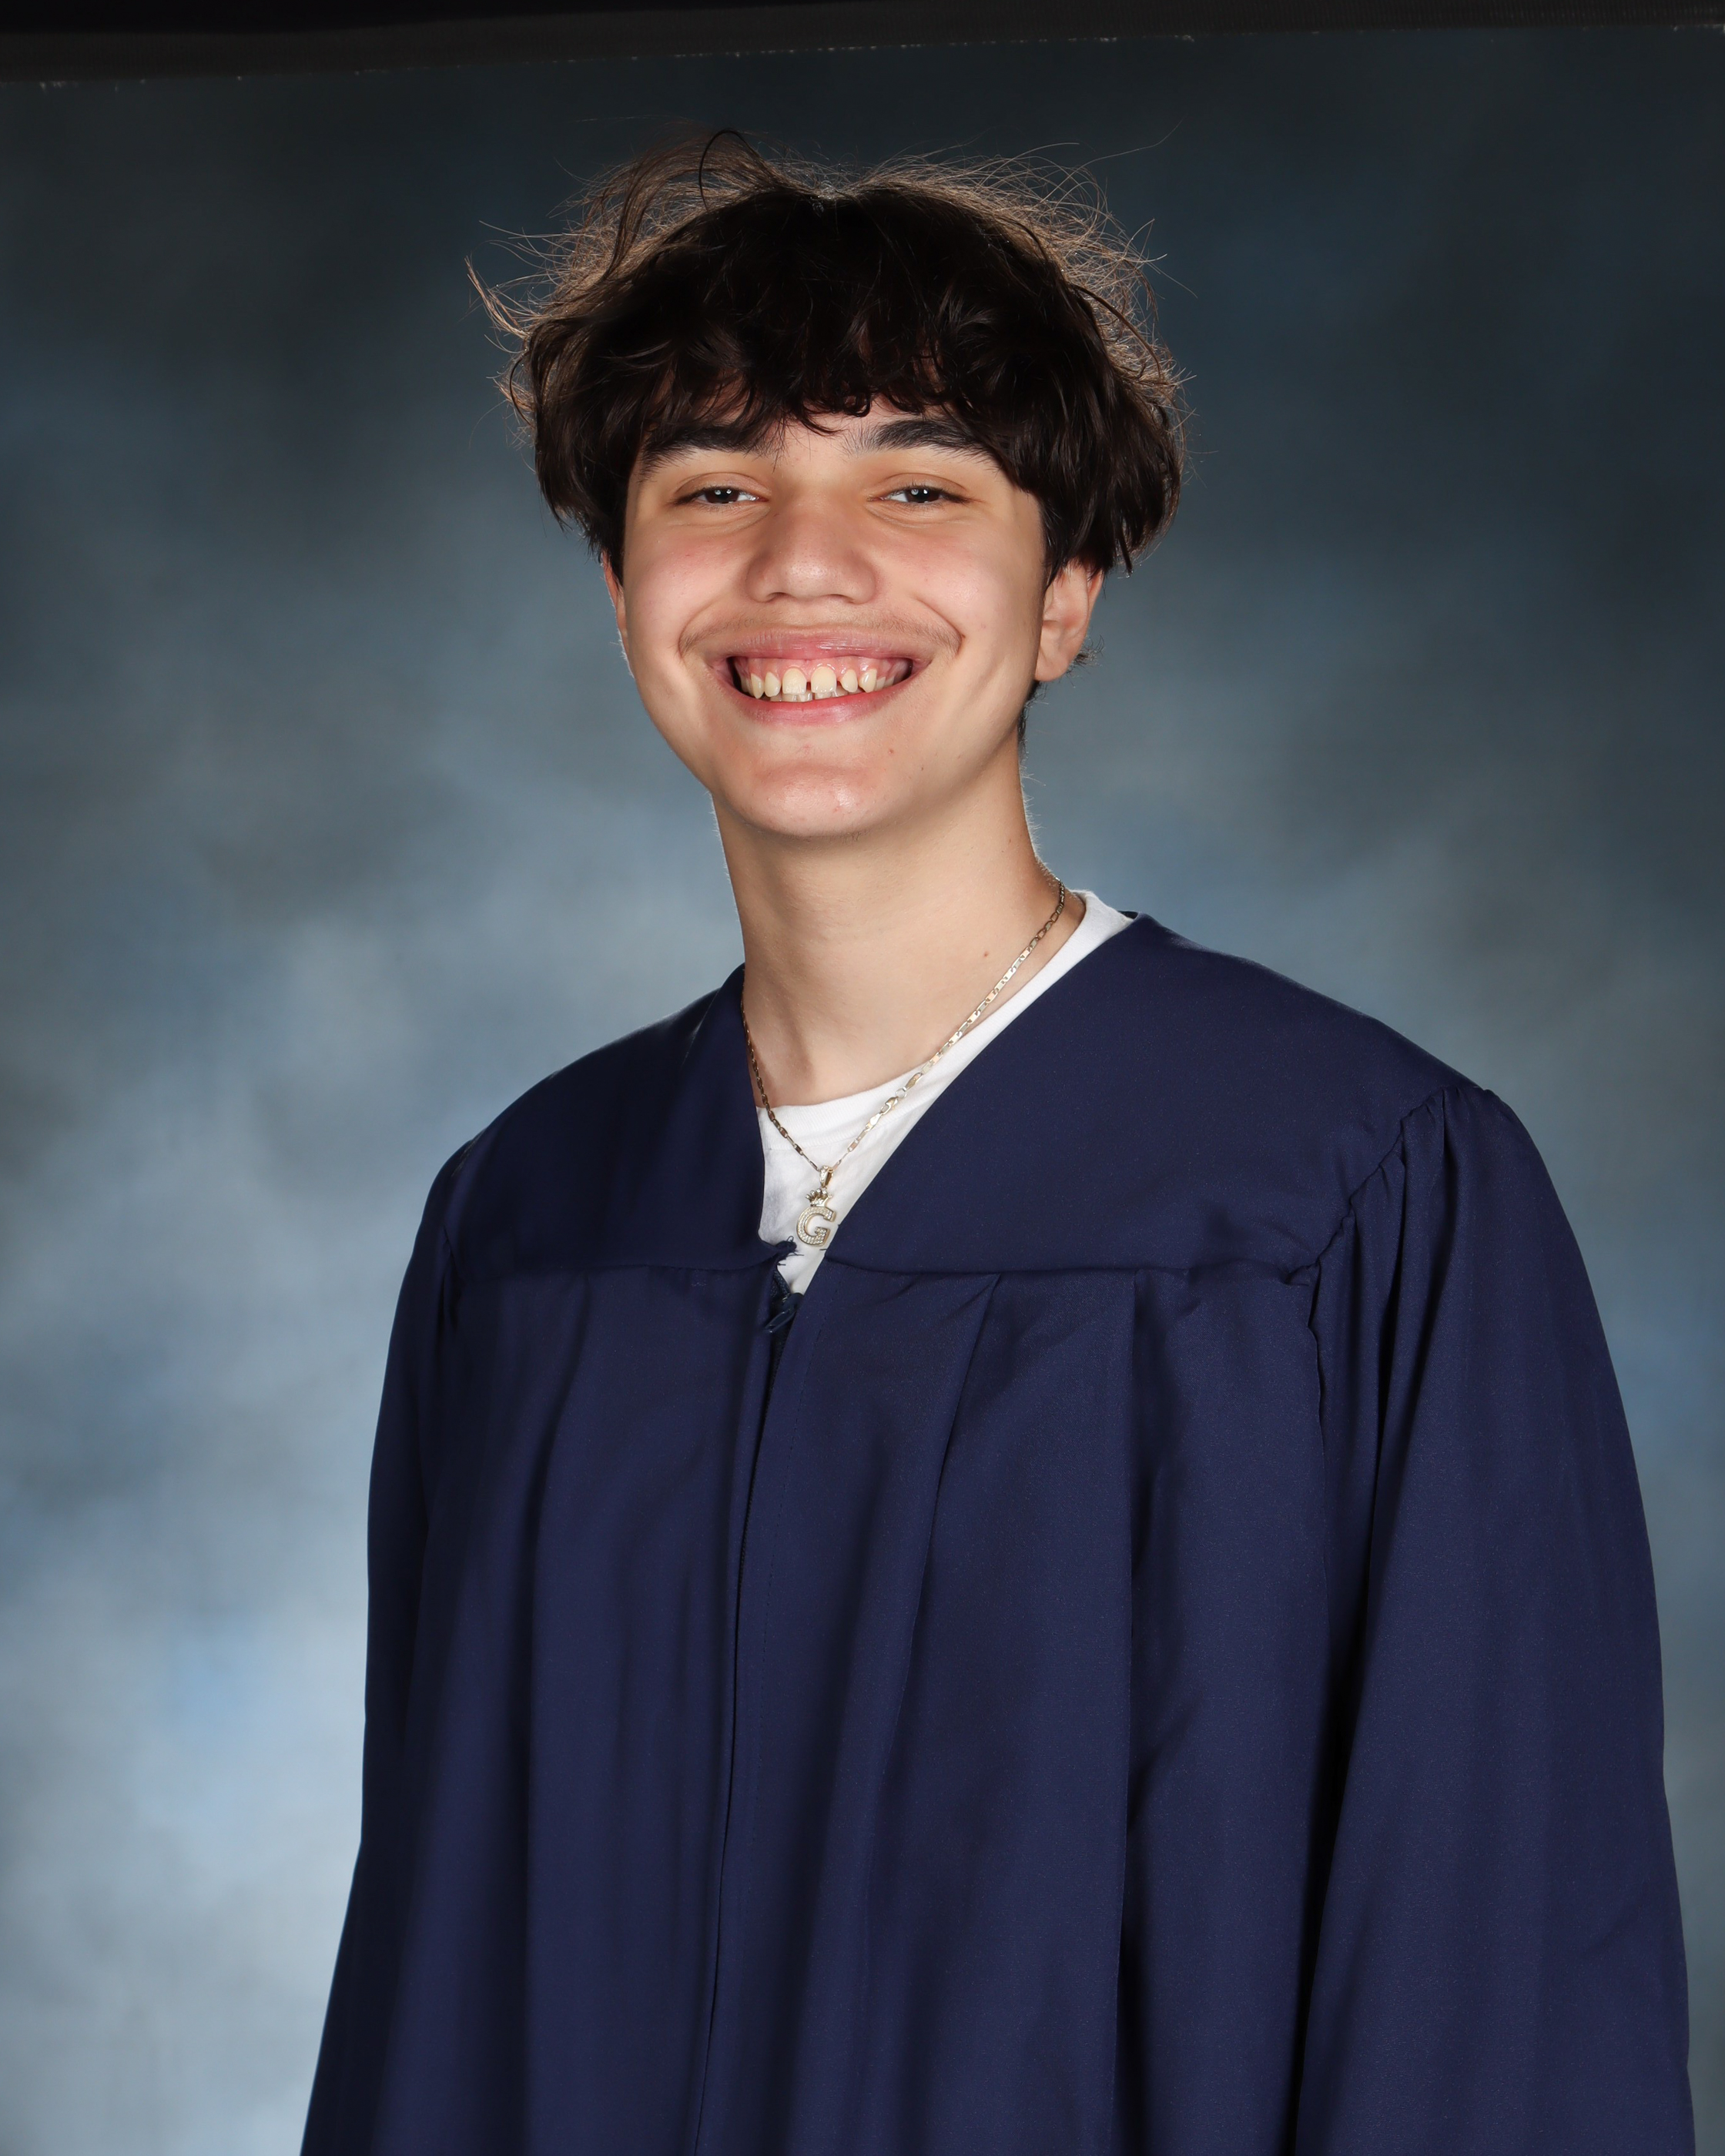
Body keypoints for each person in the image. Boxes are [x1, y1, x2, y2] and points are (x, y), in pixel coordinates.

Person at [302, 135, 1693, 2155]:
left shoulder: (1356, 1196)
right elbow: (435, 1982)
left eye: (921, 485)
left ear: (1063, 600)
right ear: (621, 591)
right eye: (713, 487)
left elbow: (1492, 1980)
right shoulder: (525, 1226)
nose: (803, 563)